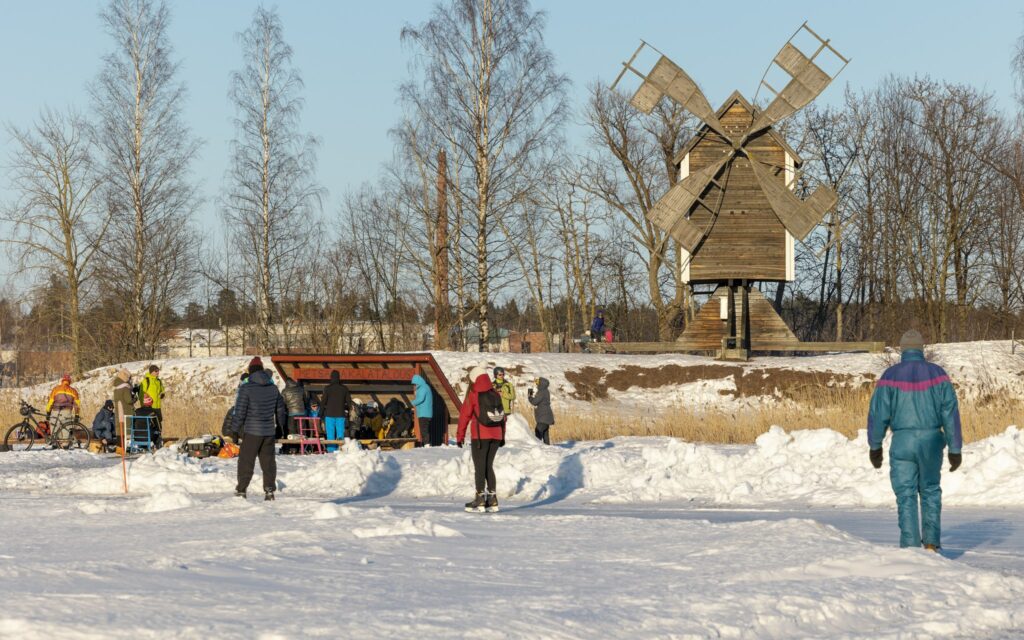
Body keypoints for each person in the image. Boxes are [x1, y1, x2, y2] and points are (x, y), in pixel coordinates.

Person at [868, 329, 963, 551]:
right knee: (930, 490)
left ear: (902, 350)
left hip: (902, 441)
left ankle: (910, 548)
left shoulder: (890, 376)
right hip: (931, 441)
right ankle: (931, 544)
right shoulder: (938, 374)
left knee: (906, 494)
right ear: (922, 350)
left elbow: (878, 413)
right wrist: (955, 448)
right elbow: (950, 412)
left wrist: (875, 445)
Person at [231, 367, 287, 501]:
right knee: (268, 463)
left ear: (251, 374)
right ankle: (269, 491)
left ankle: (241, 490)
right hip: (268, 432)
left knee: (246, 461)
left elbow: (240, 412)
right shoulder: (273, 388)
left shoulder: (246, 388)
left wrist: (234, 430)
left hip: (251, 432)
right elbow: (280, 410)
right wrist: (281, 427)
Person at [456, 373, 507, 512]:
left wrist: (460, 436)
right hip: (496, 435)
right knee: (488, 466)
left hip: (480, 436)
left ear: (473, 379)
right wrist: (502, 436)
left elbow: (464, 416)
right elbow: (502, 417)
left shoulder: (473, 394)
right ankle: (492, 498)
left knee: (480, 467)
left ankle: (479, 499)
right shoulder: (495, 393)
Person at [321, 370, 351, 451]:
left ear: (331, 378)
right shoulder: (344, 388)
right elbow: (349, 402)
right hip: (340, 414)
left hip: (329, 414)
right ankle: (340, 449)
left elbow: (323, 402)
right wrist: (348, 411)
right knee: (340, 434)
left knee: (330, 434)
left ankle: (331, 450)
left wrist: (320, 414)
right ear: (339, 378)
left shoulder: (327, 388)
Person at [281, 377, 308, 451]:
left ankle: (293, 448)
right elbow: (305, 400)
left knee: (292, 430)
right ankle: (303, 447)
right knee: (302, 430)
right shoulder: (301, 389)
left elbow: (283, 403)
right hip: (302, 412)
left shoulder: (285, 391)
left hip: (291, 413)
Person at [528, 377, 554, 445]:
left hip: (543, 417)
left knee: (538, 434)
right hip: (547, 416)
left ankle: (538, 449)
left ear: (541, 384)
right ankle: (548, 449)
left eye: (537, 382)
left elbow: (534, 402)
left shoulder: (541, 392)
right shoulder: (545, 391)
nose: (537, 384)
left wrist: (529, 396)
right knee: (545, 434)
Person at [139, 365, 165, 432]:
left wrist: (162, 394)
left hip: (157, 406)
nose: (157, 372)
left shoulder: (159, 381)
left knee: (159, 422)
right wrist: (143, 406)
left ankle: (158, 438)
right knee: (151, 423)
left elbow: (162, 390)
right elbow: (141, 394)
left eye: (158, 371)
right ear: (151, 372)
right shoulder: (146, 381)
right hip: (149, 407)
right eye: (156, 371)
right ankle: (151, 438)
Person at [111, 368, 134, 439]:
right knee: (127, 428)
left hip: (119, 412)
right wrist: (134, 398)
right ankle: (128, 445)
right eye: (129, 378)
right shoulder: (125, 388)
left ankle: (120, 444)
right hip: (126, 411)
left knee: (119, 428)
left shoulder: (116, 388)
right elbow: (129, 400)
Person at [411, 374, 434, 446]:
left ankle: (427, 444)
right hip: (425, 412)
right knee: (425, 429)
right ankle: (427, 443)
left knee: (424, 430)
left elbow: (420, 399)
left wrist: (412, 402)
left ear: (418, 382)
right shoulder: (425, 387)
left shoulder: (423, 388)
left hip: (424, 413)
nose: (414, 386)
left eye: (415, 384)